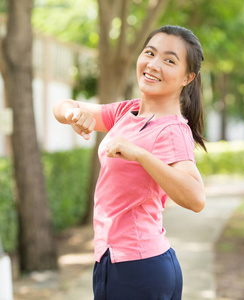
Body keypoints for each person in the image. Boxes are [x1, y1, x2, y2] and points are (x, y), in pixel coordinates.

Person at [53, 25, 206, 300]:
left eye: (169, 60)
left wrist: (141, 155)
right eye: (150, 53)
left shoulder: (172, 130)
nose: (153, 64)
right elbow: (61, 105)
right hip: (121, 262)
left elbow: (196, 199)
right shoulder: (128, 111)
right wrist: (74, 114)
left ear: (187, 77)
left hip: (137, 268)